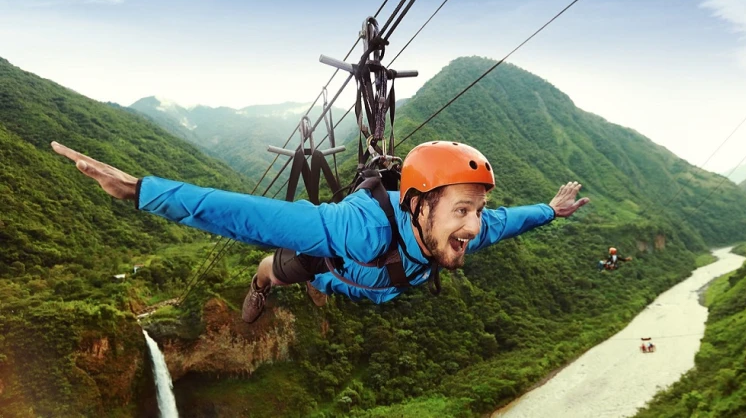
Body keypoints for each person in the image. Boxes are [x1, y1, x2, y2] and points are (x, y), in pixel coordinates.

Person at [51, 140, 590, 323]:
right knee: (278, 267)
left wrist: (549, 210)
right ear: (419, 206)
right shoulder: (358, 230)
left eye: (477, 211)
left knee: (333, 286)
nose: (474, 226)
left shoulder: (463, 232)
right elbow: (248, 216)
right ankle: (260, 287)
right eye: (462, 211)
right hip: (330, 264)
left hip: (369, 284)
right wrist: (140, 190)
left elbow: (507, 221)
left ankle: (313, 288)